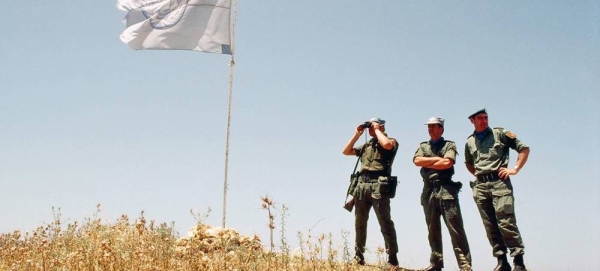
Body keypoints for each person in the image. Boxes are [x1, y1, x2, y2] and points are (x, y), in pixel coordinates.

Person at [464, 109, 530, 271]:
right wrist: (480, 175)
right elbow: (469, 163)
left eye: (486, 118)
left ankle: (519, 262)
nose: (484, 121)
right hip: (481, 187)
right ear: (472, 120)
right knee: (490, 225)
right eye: (480, 118)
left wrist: (514, 169)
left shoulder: (499, 134)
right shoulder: (469, 142)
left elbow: (524, 149)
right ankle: (502, 261)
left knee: (506, 222)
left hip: (500, 183)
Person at [413, 117, 472, 271]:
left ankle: (465, 266)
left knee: (456, 229)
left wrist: (429, 162)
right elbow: (417, 161)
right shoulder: (423, 146)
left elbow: (447, 163)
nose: (430, 129)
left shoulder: (449, 145)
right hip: (428, 190)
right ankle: (436, 263)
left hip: (446, 190)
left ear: (441, 129)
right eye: (429, 127)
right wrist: (437, 160)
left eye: (434, 127)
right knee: (432, 229)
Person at [342, 118, 399, 268]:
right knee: (359, 223)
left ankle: (392, 258)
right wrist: (357, 134)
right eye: (370, 127)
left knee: (385, 222)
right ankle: (358, 256)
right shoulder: (367, 145)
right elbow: (346, 151)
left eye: (373, 126)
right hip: (362, 185)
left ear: (381, 126)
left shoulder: (391, 141)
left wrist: (378, 130)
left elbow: (386, 145)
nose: (371, 129)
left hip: (379, 186)